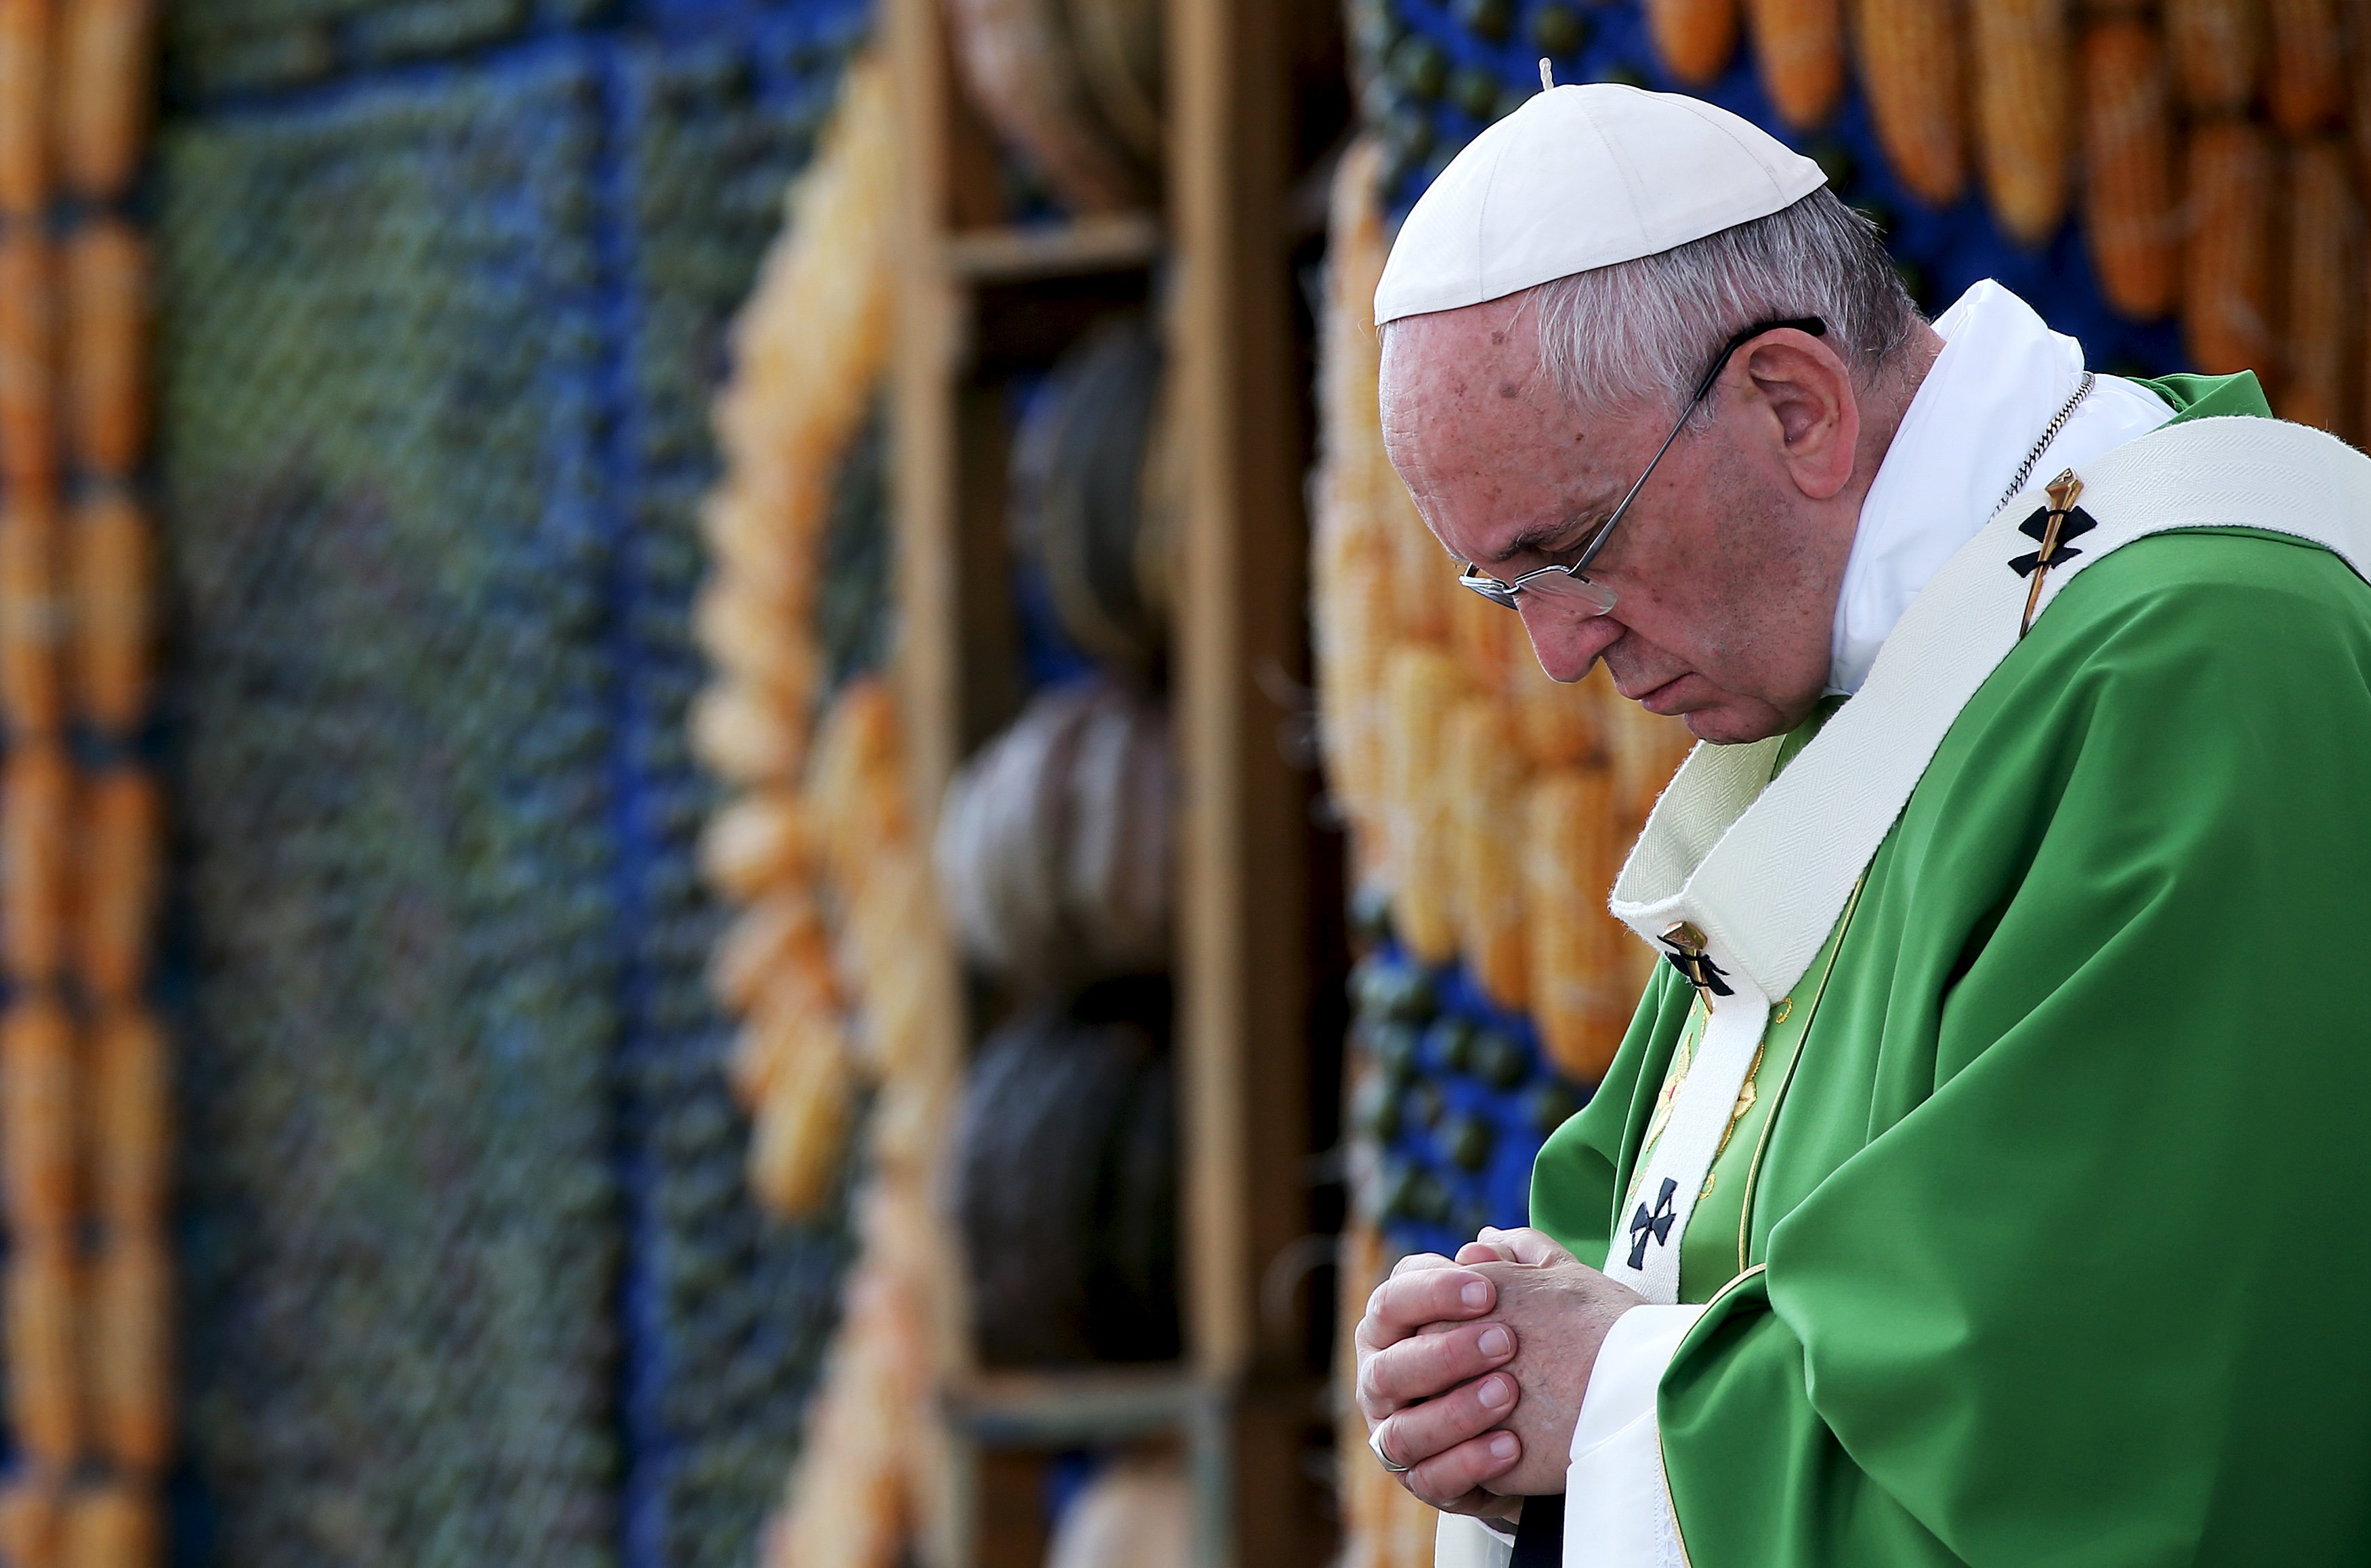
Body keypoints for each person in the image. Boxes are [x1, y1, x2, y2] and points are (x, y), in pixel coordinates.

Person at [1353, 79, 2371, 1568]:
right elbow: (1632, 1235)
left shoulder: (2203, 661)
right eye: (1504, 593)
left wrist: (1611, 1401)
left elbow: (2114, 1417)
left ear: (1793, 404)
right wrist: (1482, 1363)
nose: (1558, 655)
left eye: (1570, 556)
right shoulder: (1857, 664)